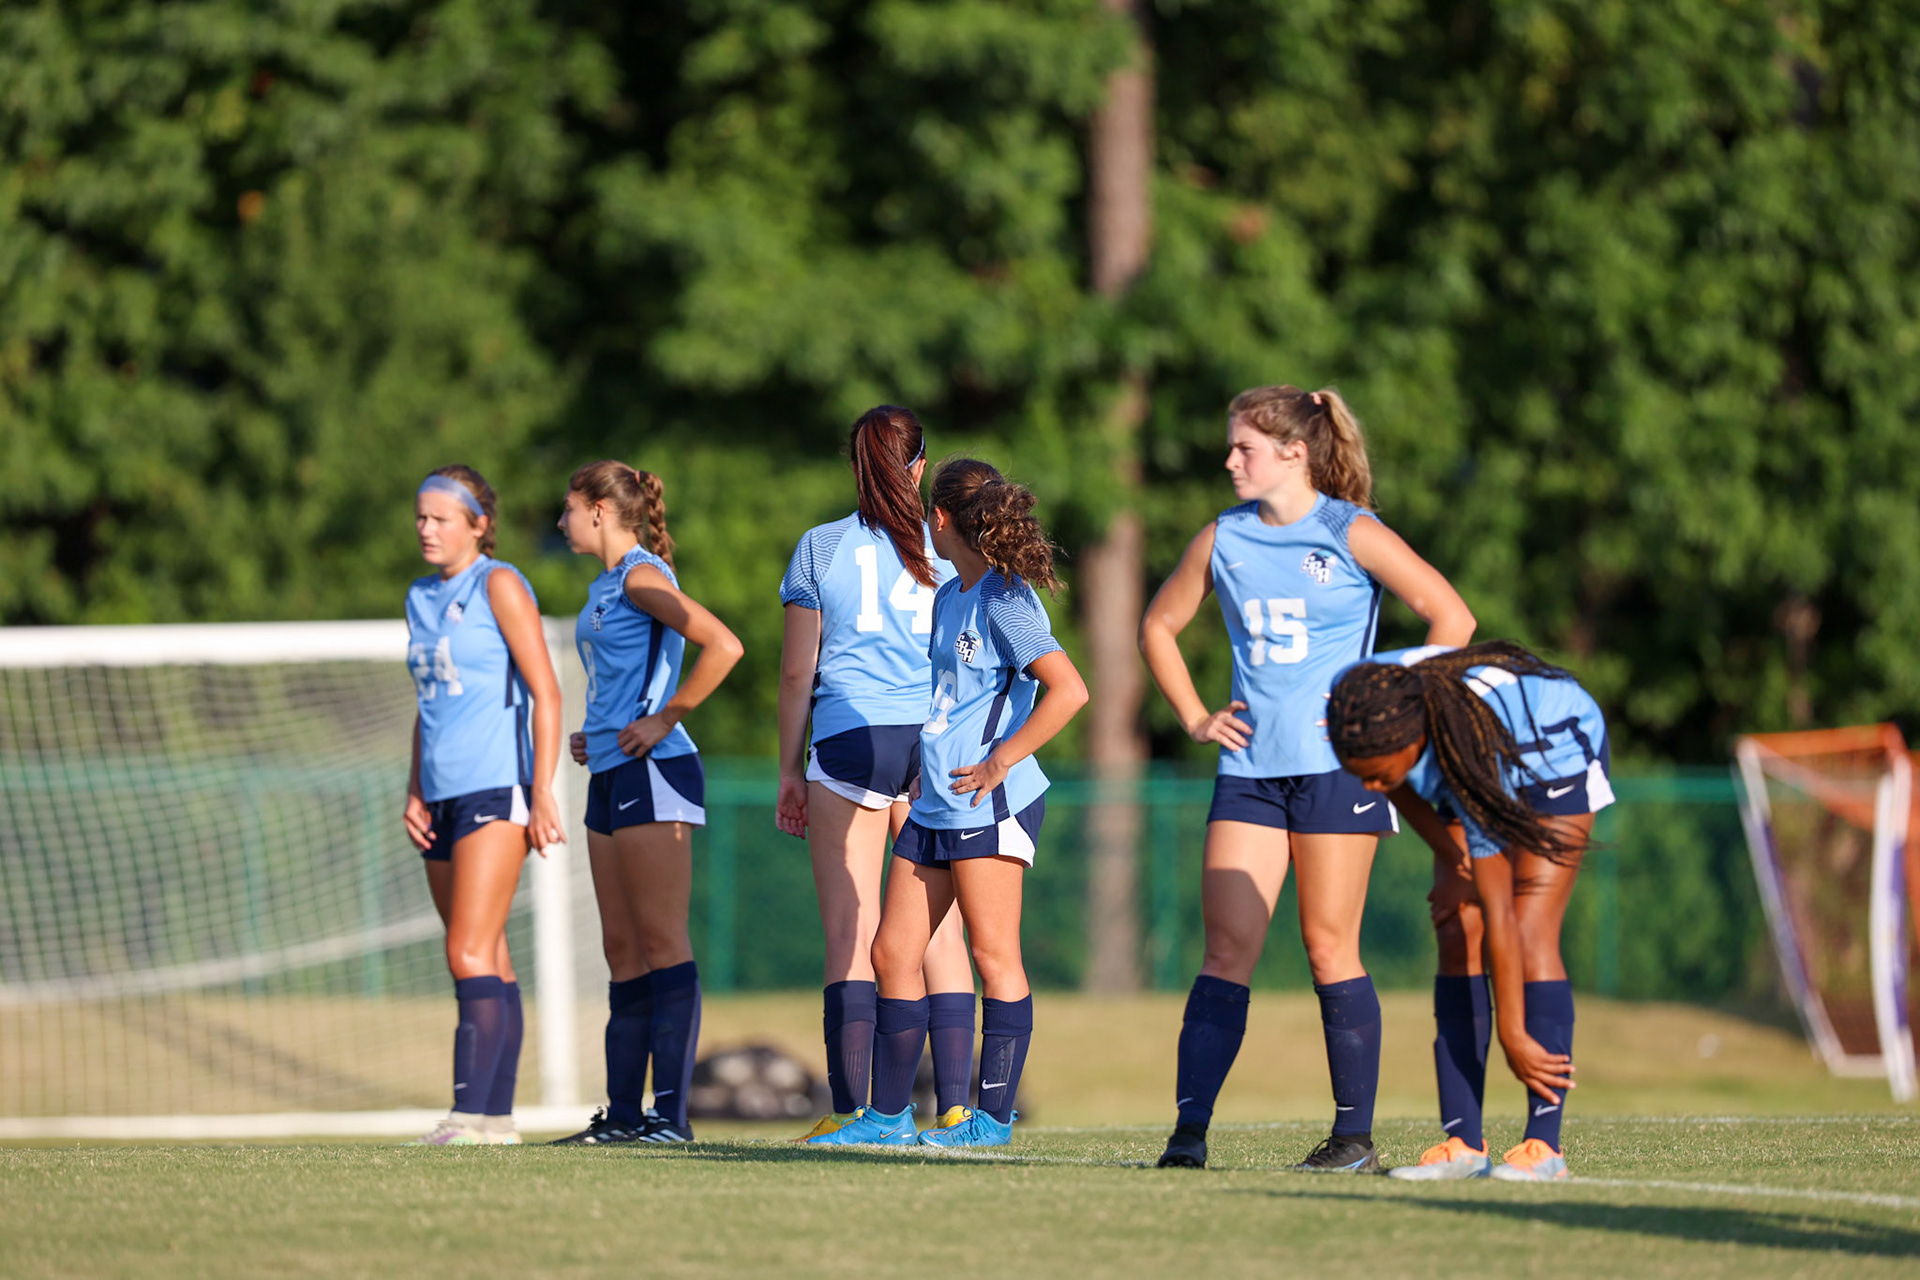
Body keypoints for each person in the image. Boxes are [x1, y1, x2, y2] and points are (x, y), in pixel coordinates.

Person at [1138, 386, 1475, 1172]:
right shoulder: (1222, 538)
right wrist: (1193, 715)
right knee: (1226, 949)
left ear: (1295, 453)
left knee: (1329, 949)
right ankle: (1188, 1137)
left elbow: (1450, 617)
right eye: (1231, 446)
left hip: (1336, 773)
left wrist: (1392, 710)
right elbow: (1159, 624)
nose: (1229, 461)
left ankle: (1352, 1137)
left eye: (1244, 448)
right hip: (1250, 771)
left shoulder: (1352, 531)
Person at [811, 459, 1087, 1148]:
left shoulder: (1006, 598)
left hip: (989, 805)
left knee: (995, 957)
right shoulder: (950, 595)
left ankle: (990, 1122)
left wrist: (1001, 758)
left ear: (940, 519)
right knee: (892, 952)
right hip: (935, 801)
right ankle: (888, 1118)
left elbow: (1070, 690)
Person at [1326, 641, 1611, 1182]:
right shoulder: (1360, 706)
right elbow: (1396, 786)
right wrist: (1452, 857)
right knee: (1457, 923)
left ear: (1409, 741)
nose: (1366, 785)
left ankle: (1543, 1149)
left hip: (1555, 745)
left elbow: (1501, 911)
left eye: (1374, 773)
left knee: (1529, 932)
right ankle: (1463, 1144)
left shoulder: (1468, 751)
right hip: (1465, 755)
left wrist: (1515, 1037)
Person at [775, 407, 977, 1142]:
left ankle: (855, 1109)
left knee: (851, 928)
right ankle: (956, 1108)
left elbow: (799, 672)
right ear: (919, 465)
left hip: (851, 739)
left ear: (854, 466)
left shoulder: (819, 548)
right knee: (941, 935)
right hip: (936, 742)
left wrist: (788, 769)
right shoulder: (951, 544)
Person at [549, 462, 744, 1146]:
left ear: (601, 510)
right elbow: (625, 679)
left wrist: (665, 718)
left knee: (663, 942)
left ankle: (671, 1119)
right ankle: (625, 1117)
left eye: (568, 509)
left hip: (656, 772)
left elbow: (724, 645)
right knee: (622, 948)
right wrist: (595, 731)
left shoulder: (641, 576)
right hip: (609, 771)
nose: (561, 520)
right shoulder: (608, 584)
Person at [402, 466, 565, 1146]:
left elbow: (546, 692)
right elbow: (428, 701)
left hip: (498, 787)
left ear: (478, 524)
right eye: (420, 517)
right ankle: (495, 1120)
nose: (427, 529)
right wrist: (414, 785)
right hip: (439, 793)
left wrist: (543, 789)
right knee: (486, 955)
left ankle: (467, 1116)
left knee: (465, 950)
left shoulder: (498, 584)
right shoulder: (418, 596)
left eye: (441, 518)